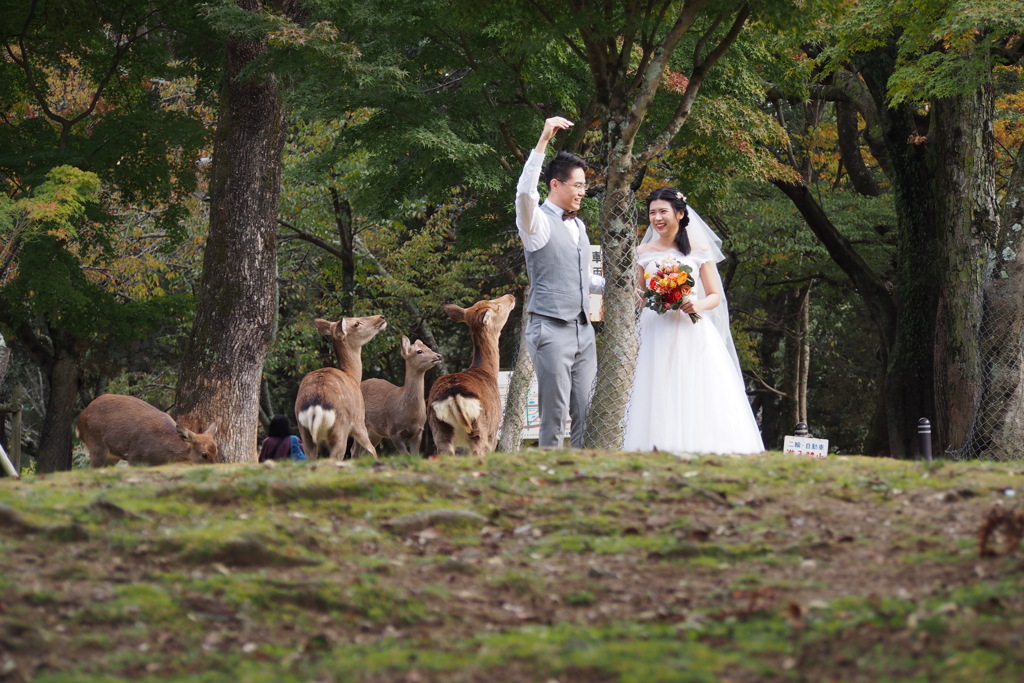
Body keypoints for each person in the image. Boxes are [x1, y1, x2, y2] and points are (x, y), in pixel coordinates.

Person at [623, 187, 764, 455]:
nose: (657, 218)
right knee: (654, 387)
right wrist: (649, 297)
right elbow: (638, 296)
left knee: (695, 386)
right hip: (655, 327)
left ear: (680, 213)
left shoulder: (698, 250)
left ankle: (697, 449)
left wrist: (695, 304)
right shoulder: (642, 251)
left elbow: (714, 296)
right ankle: (654, 449)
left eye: (663, 211)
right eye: (652, 213)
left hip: (692, 327)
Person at [515, 116, 604, 448]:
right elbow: (525, 194)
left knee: (586, 411)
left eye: (584, 186)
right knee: (554, 415)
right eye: (577, 185)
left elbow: (586, 276)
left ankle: (580, 483)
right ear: (556, 184)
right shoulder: (536, 224)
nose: (583, 191)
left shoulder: (580, 226)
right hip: (550, 328)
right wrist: (542, 141)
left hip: (584, 331)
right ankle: (548, 483)